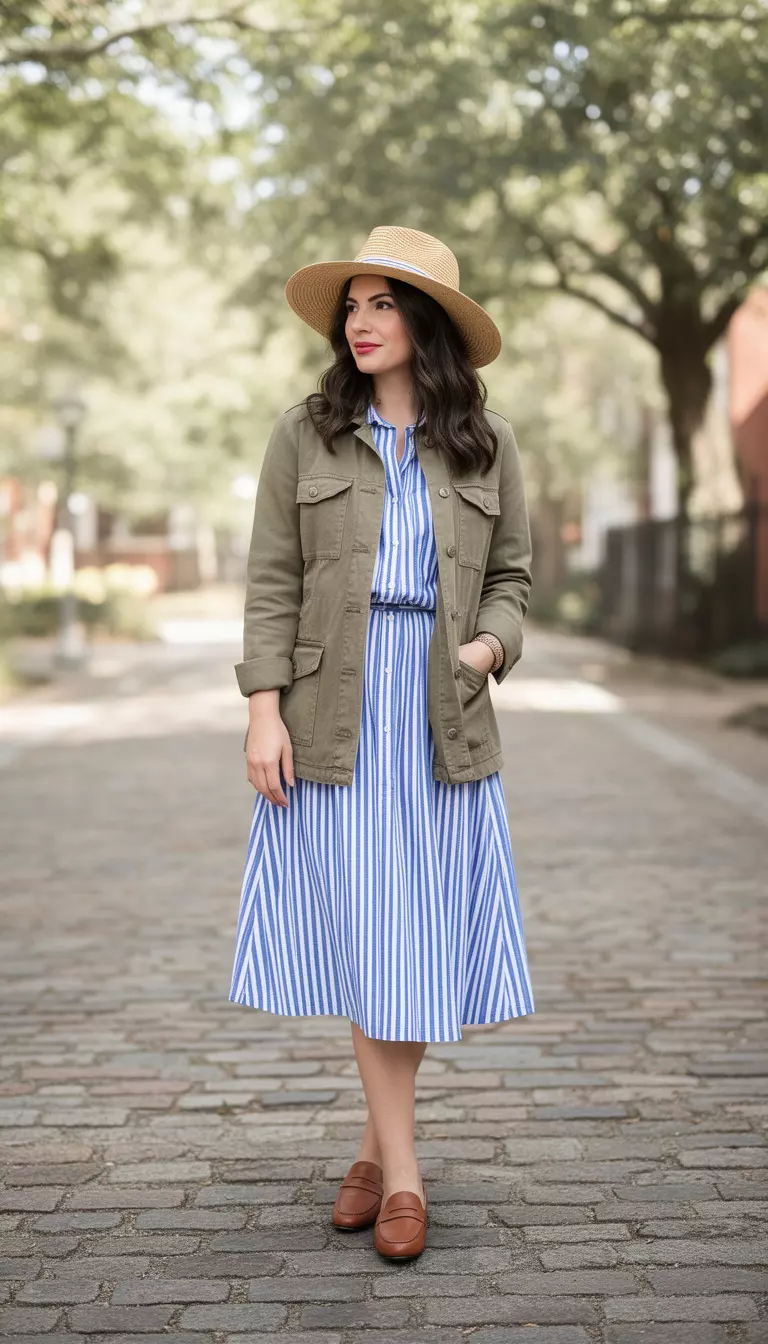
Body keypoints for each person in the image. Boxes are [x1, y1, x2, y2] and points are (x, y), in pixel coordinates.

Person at [229, 225, 535, 1261]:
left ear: (426, 324)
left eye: (382, 304)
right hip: (336, 709)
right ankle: (404, 1177)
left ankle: (370, 1151)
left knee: (409, 933)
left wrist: (491, 647)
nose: (359, 323)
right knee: (375, 930)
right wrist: (262, 710)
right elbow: (272, 581)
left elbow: (515, 577)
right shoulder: (303, 435)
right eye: (350, 306)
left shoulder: (484, 444)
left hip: (441, 708)